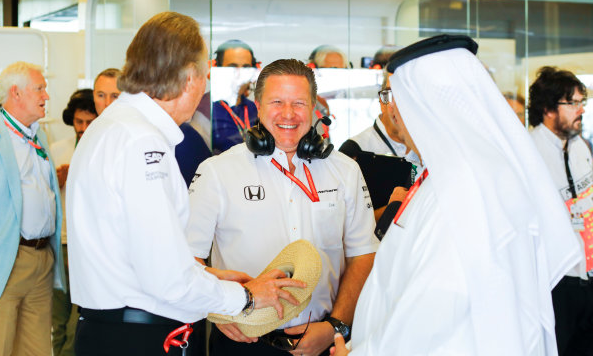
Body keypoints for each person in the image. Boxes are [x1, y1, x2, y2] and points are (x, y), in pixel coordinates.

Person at [66, 12, 305, 356]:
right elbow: (166, 280)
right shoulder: (142, 143)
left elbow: (138, 252)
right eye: (206, 77)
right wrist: (249, 297)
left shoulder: (114, 127)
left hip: (114, 329)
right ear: (190, 77)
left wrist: (208, 278)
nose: (204, 87)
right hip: (140, 338)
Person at [330, 35, 580, 356]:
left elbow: (436, 305)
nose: (392, 110)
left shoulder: (468, 185)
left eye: (394, 96)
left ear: (424, 103)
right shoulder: (448, 175)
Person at [188, 58, 379, 356]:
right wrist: (218, 308)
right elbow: (187, 261)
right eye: (277, 101)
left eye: (299, 103)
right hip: (242, 340)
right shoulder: (217, 172)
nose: (288, 114)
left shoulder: (345, 171)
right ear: (258, 106)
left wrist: (335, 327)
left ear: (314, 107)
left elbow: (363, 255)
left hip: (322, 340)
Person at [0, 61, 66, 356]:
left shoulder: (38, 136)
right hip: (6, 259)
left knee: (37, 349)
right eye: (39, 88)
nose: (46, 96)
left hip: (42, 257)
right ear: (16, 93)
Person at [528, 66, 593, 355]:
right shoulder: (529, 152)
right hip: (556, 279)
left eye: (582, 102)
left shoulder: (581, 145)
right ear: (548, 108)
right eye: (573, 103)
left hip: (588, 271)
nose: (581, 110)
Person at [339, 69, 421, 224]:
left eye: (405, 95)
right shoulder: (354, 151)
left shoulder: (426, 148)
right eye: (390, 95)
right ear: (381, 101)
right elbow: (345, 224)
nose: (397, 105)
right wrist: (399, 205)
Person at [50, 89, 97, 356]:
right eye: (79, 122)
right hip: (60, 243)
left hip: (85, 246)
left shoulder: (100, 149)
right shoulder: (58, 150)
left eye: (89, 122)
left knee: (76, 318)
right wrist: (57, 182)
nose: (83, 128)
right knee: (58, 318)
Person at [211, 39, 260, 153]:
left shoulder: (255, 108)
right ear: (218, 70)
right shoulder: (205, 108)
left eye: (246, 67)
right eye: (232, 67)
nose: (240, 74)